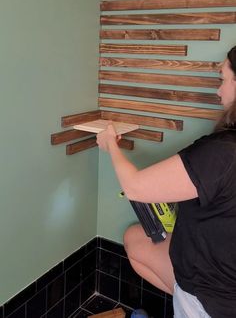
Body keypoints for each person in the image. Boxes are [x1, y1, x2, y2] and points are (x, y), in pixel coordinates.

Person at [96, 46, 236, 318]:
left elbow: (135, 187)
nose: (218, 91)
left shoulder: (223, 153)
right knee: (135, 238)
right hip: (222, 276)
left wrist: (110, 144)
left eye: (222, 79)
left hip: (212, 297)